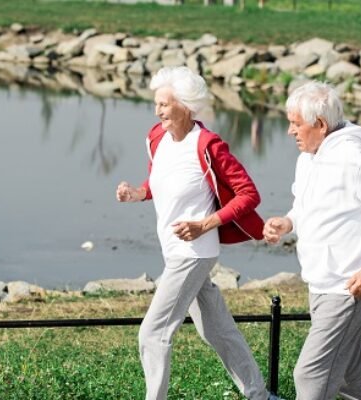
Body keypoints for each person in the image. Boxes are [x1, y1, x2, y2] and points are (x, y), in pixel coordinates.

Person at [116, 66, 281, 400]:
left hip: (193, 254)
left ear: (186, 106)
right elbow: (163, 181)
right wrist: (138, 192)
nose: (157, 110)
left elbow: (248, 194)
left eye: (164, 104)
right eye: (156, 103)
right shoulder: (156, 139)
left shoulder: (207, 145)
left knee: (153, 332)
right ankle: (259, 395)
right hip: (174, 249)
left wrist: (204, 224)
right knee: (217, 330)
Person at [262, 81, 361, 400]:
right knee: (351, 377)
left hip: (348, 288)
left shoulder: (356, 161)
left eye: (295, 123)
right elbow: (306, 207)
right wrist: (289, 222)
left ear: (320, 124)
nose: (290, 131)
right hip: (320, 283)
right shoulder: (309, 158)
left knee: (310, 375)